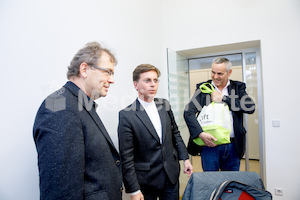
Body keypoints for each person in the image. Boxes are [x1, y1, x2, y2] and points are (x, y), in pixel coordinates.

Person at [33, 42, 123, 200]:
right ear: (84, 69)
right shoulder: (60, 107)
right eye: (108, 72)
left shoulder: (79, 104)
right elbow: (60, 192)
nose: (112, 80)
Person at [118, 64, 193, 200]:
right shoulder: (126, 115)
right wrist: (134, 189)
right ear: (136, 85)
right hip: (146, 180)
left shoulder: (164, 105)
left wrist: (185, 158)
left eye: (155, 80)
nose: (153, 84)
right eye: (147, 80)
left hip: (171, 175)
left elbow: (175, 133)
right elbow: (126, 156)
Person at [184, 57, 255, 171]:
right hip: (209, 146)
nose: (215, 76)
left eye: (220, 73)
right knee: (211, 182)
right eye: (213, 72)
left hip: (233, 146)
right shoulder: (203, 88)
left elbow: (250, 107)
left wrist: (223, 98)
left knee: (230, 184)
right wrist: (201, 134)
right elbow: (188, 113)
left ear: (229, 72)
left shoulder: (238, 87)